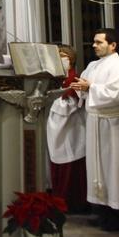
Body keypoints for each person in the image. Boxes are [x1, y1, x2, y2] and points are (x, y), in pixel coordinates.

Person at [71, 28, 119, 232]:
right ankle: (100, 210)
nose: (94, 45)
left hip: (114, 125)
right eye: (94, 42)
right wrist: (82, 88)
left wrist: (90, 88)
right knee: (96, 167)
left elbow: (117, 95)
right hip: (96, 122)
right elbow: (82, 86)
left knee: (113, 167)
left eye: (99, 42)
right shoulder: (92, 65)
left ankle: (115, 214)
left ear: (113, 45)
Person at [46, 45, 88, 214]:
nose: (62, 59)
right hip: (55, 129)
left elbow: (71, 104)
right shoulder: (55, 79)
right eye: (59, 56)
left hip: (71, 130)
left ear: (72, 60)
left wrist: (52, 101)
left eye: (65, 56)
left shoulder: (74, 79)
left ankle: (72, 202)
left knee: (71, 165)